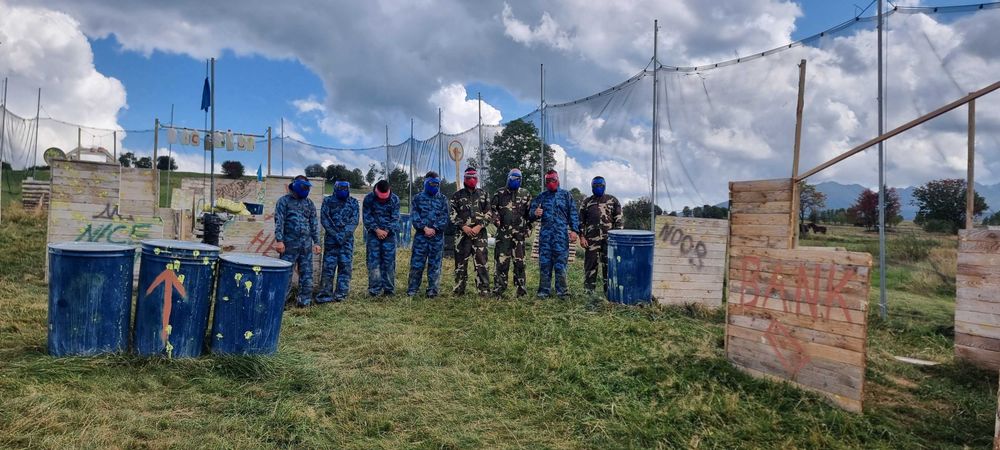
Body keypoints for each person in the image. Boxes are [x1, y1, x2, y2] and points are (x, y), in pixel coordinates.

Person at [529, 169, 580, 298]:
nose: (551, 183)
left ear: (557, 180)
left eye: (553, 180)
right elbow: (530, 213)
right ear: (545, 182)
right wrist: (535, 213)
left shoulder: (566, 195)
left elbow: (573, 214)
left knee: (560, 265)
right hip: (545, 237)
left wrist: (574, 231)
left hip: (561, 237)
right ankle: (543, 291)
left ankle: (562, 292)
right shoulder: (542, 196)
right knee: (545, 265)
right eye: (548, 181)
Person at [274, 175, 321, 307]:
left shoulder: (309, 203)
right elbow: (279, 221)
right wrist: (279, 240)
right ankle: (281, 303)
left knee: (307, 274)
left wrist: (317, 242)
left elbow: (314, 224)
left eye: (307, 187)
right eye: (304, 187)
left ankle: (304, 302)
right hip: (288, 245)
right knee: (285, 274)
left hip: (306, 246)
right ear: (296, 186)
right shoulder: (284, 201)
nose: (306, 189)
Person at [491, 168, 533, 297]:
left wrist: (529, 228)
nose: (516, 180)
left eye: (518, 178)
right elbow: (492, 210)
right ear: (508, 177)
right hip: (503, 235)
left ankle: (521, 291)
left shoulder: (525, 194)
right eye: (513, 178)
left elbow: (530, 214)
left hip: (519, 236)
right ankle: (499, 290)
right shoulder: (499, 193)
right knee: (501, 262)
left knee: (520, 263)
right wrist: (496, 219)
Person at [578, 176, 623, 296]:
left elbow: (618, 220)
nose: (598, 188)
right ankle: (589, 293)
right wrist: (581, 237)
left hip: (609, 241)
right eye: (596, 186)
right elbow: (580, 221)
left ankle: (609, 293)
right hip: (591, 241)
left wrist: (617, 239)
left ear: (604, 186)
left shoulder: (612, 200)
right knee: (590, 267)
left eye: (600, 186)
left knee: (609, 267)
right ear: (592, 187)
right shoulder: (587, 202)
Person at [407, 172, 450, 297]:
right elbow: (414, 216)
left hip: (437, 238)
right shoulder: (417, 198)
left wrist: (434, 229)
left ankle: (433, 289)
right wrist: (424, 228)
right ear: (425, 183)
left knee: (435, 264)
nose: (434, 186)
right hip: (421, 237)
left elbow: (445, 217)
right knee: (417, 263)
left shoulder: (442, 199)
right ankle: (413, 289)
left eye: (437, 183)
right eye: (432, 183)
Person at [450, 167, 491, 296]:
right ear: (464, 179)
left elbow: (489, 213)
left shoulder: (484, 194)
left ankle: (484, 290)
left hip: (480, 235)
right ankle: (459, 290)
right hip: (462, 236)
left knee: (482, 263)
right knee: (460, 264)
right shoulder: (457, 195)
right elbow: (452, 214)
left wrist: (479, 226)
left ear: (477, 179)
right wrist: (463, 226)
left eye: (474, 177)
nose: (471, 180)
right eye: (469, 178)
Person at [317, 180, 359, 303]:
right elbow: (325, 219)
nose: (343, 191)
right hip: (331, 240)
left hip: (347, 241)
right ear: (335, 188)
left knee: (345, 267)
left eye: (345, 189)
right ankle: (325, 294)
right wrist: (336, 235)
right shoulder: (328, 201)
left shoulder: (353, 202)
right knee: (328, 268)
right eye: (341, 188)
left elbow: (354, 221)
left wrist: (343, 235)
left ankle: (341, 294)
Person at [362, 180, 400, 296]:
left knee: (389, 263)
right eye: (380, 198)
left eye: (385, 198)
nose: (382, 200)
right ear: (376, 190)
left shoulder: (394, 199)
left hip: (389, 236)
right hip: (373, 235)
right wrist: (377, 230)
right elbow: (366, 217)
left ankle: (389, 290)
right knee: (373, 263)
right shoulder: (369, 199)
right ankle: (375, 290)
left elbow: (395, 218)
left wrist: (386, 231)